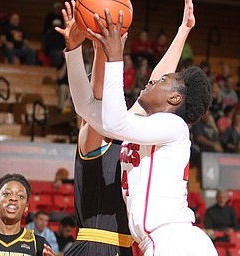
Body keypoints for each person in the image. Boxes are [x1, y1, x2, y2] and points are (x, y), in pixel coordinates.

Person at [60, 0, 218, 254]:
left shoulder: (174, 126)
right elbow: (85, 107)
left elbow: (114, 119)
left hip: (175, 241)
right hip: (160, 242)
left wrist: (113, 57)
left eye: (162, 81)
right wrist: (73, 51)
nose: (151, 82)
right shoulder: (146, 127)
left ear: (174, 99)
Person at [55, 2, 133, 255]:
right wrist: (101, 47)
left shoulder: (134, 137)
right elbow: (98, 99)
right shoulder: (93, 138)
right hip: (95, 246)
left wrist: (184, 30)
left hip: (126, 248)